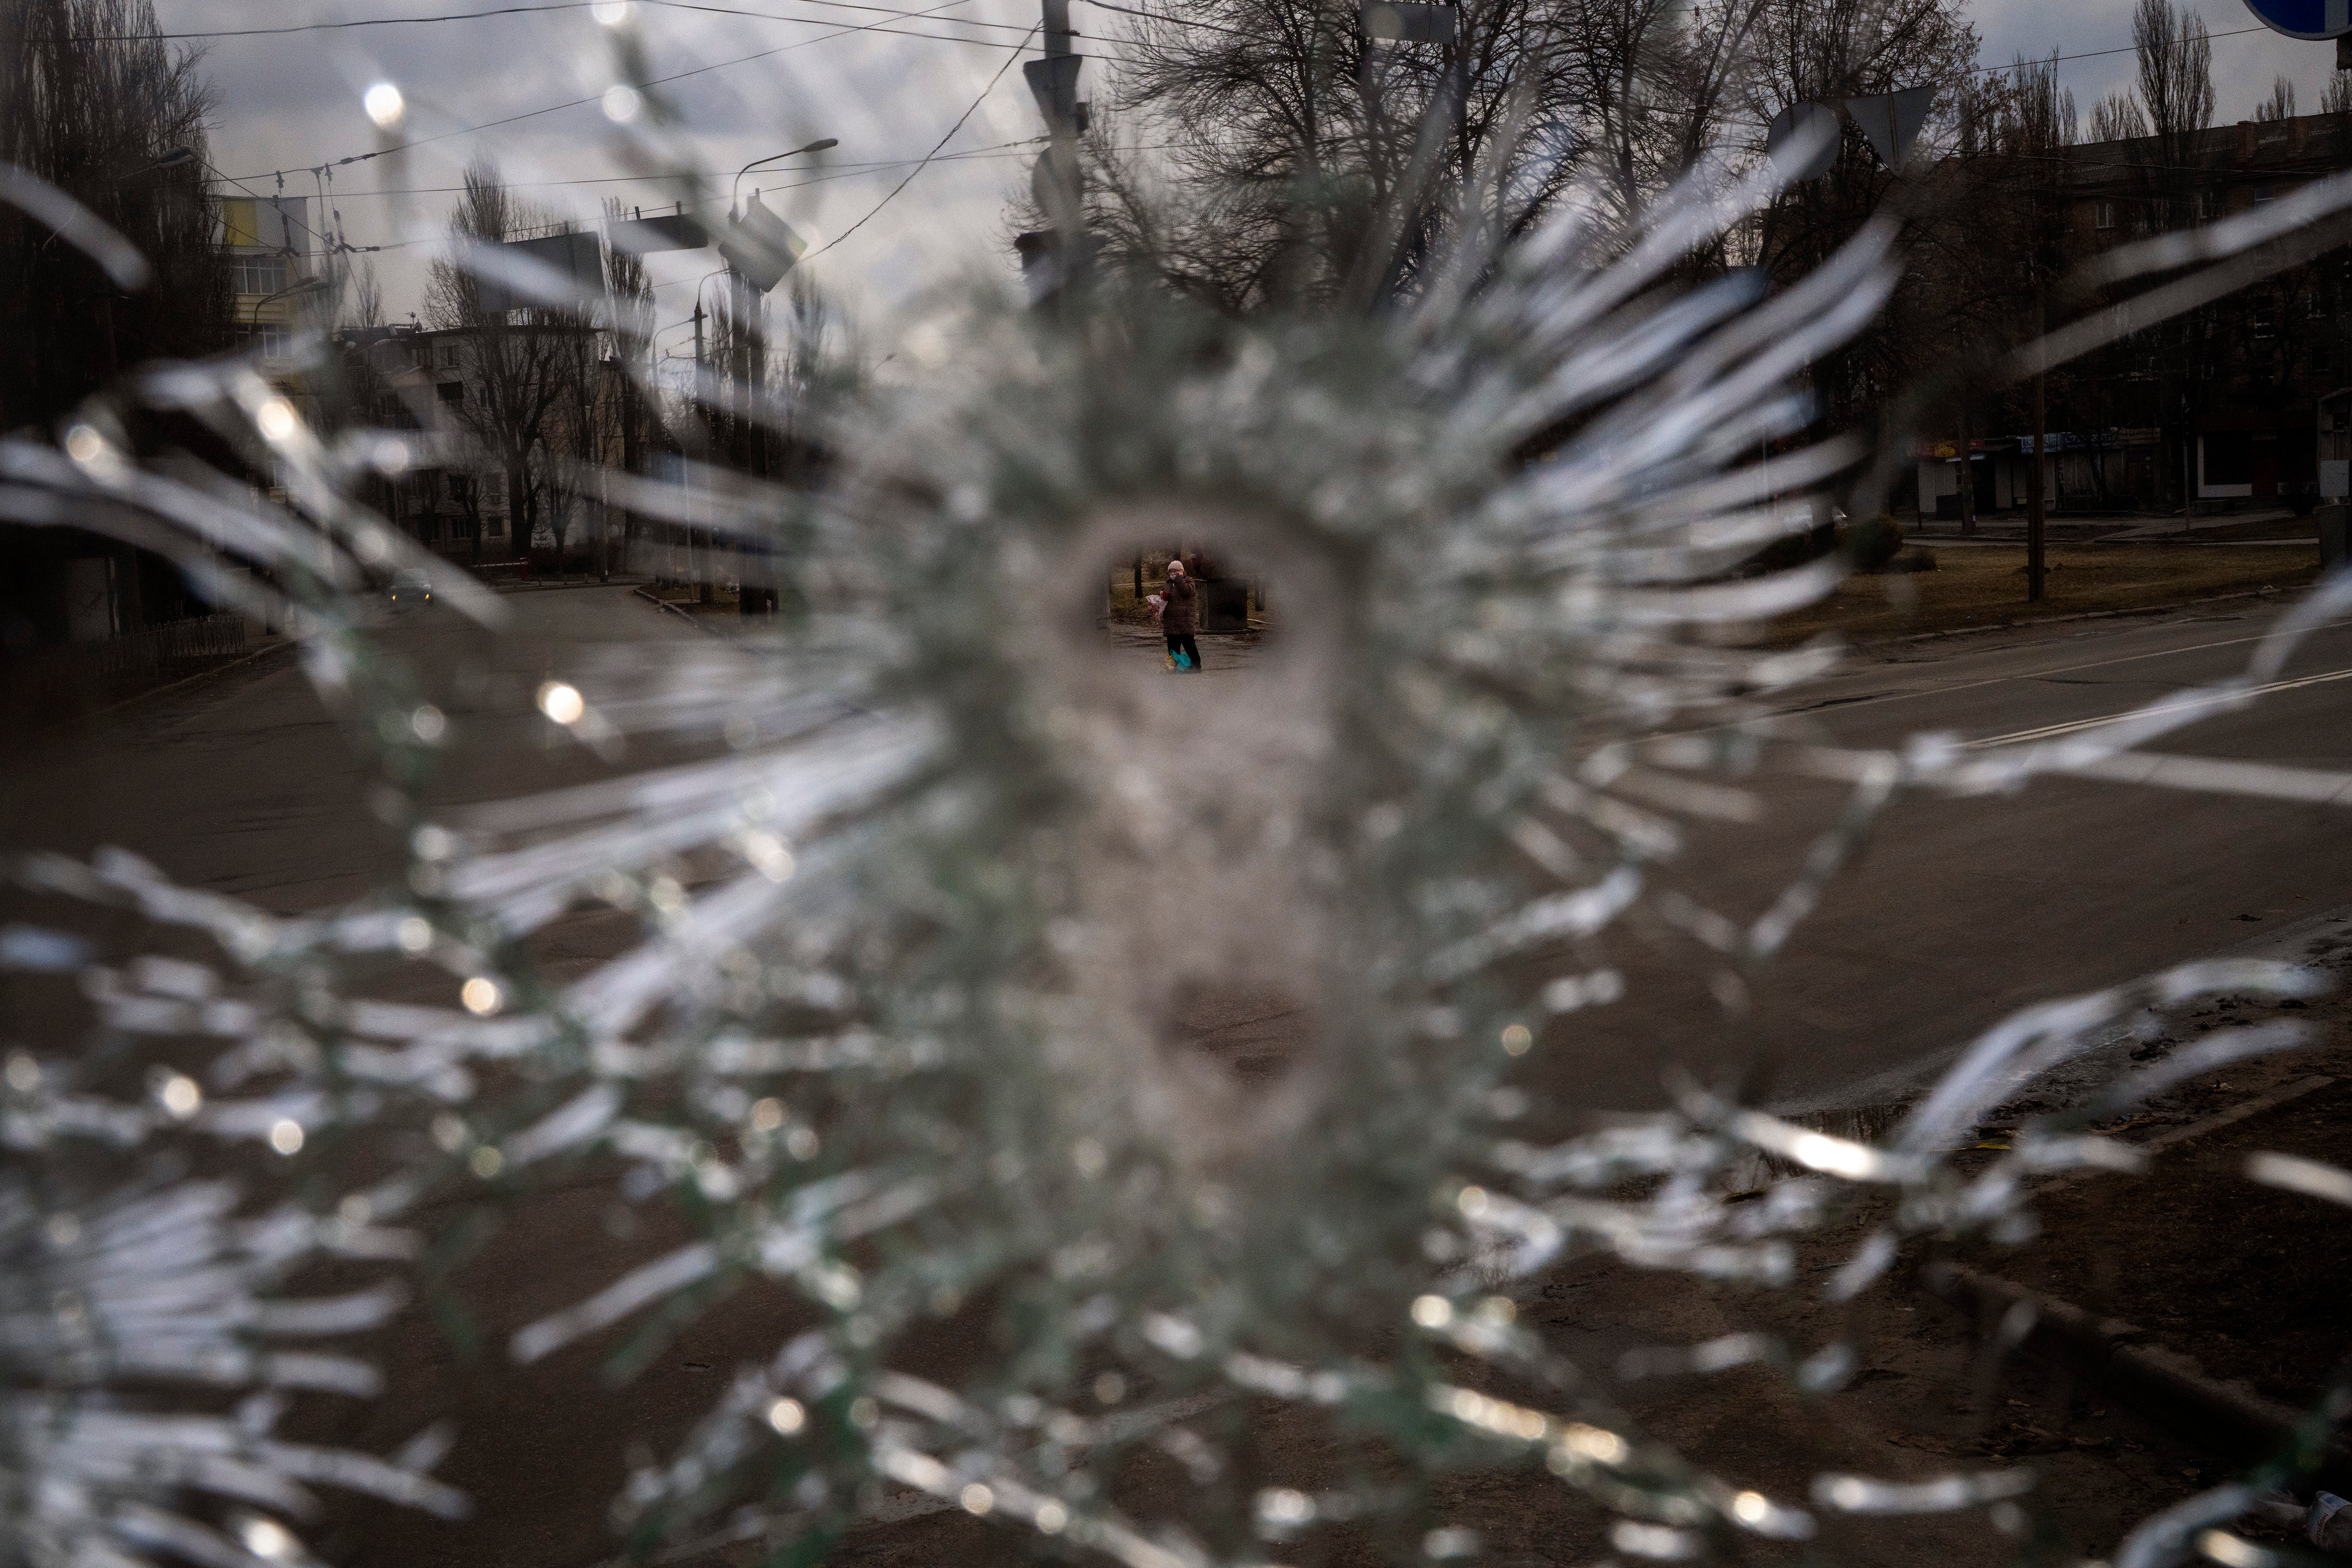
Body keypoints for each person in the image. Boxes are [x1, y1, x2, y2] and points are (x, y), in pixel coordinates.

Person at [1160, 558, 1201, 672]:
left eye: (1176, 572)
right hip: (1171, 620)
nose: (1173, 575)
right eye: (1171, 572)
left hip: (1185, 619)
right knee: (1172, 646)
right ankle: (1174, 667)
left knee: (1189, 644)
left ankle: (1196, 666)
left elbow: (1186, 591)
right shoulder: (1168, 583)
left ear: (1182, 572)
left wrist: (1179, 579)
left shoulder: (1189, 581)